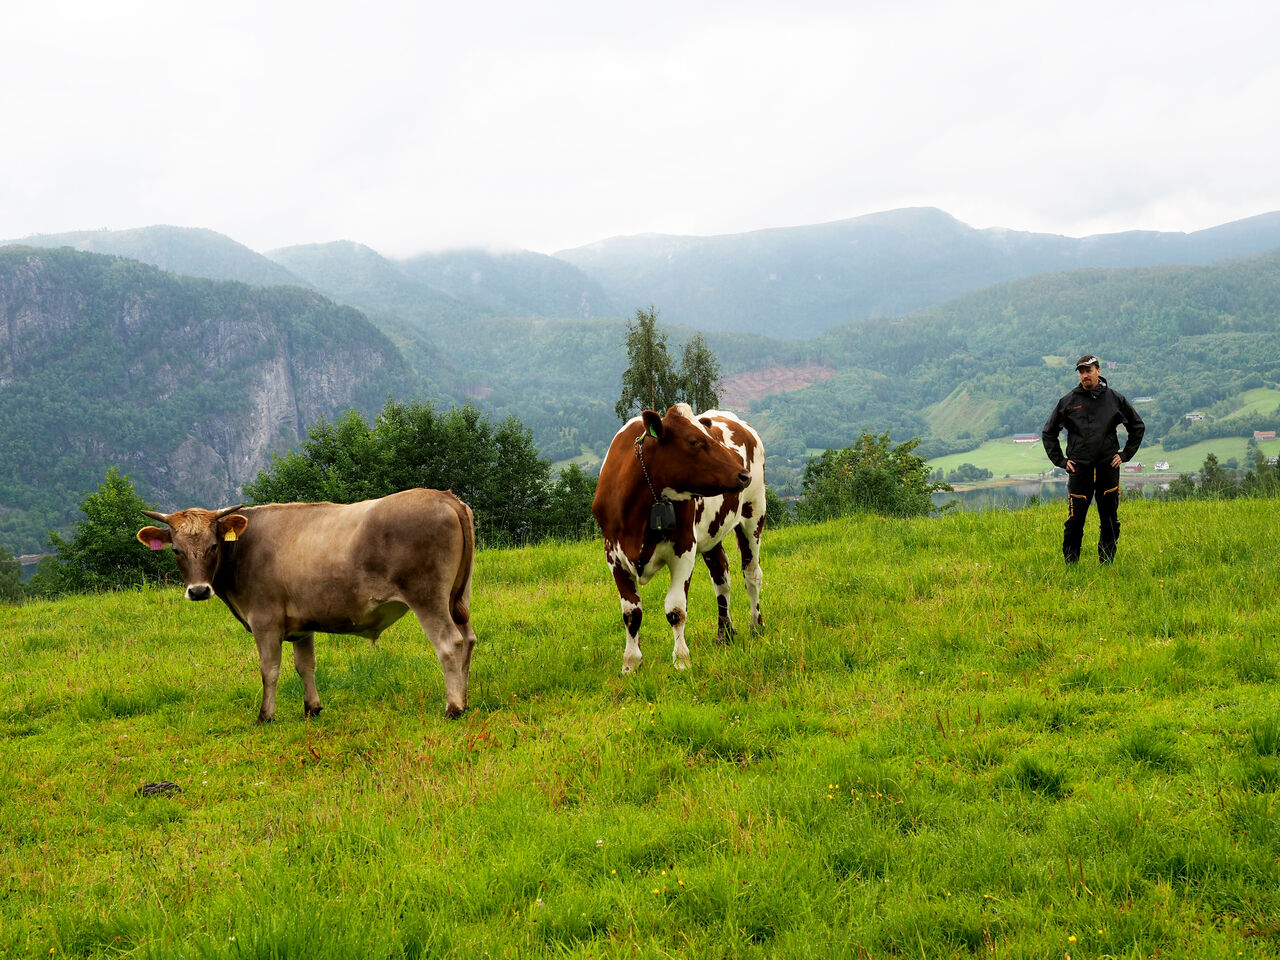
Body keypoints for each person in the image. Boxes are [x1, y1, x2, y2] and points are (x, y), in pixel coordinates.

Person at [1041, 355, 1145, 563]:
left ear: (1098, 370)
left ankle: (1106, 564)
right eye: (1081, 371)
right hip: (1079, 470)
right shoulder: (1068, 401)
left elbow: (1137, 426)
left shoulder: (1115, 399)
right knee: (1074, 521)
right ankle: (1071, 566)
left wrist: (1125, 455)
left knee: (1109, 521)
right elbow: (1048, 432)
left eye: (1088, 370)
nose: (1085, 375)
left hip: (1108, 468)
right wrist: (1061, 461)